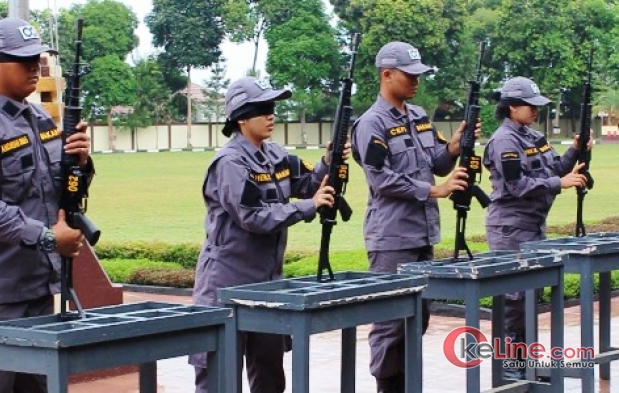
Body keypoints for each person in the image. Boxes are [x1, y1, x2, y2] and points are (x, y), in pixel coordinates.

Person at [189, 76, 349, 393]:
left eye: (272, 107)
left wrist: (328, 162)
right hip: (226, 285)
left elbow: (309, 183)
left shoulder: (275, 154)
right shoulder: (230, 162)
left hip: (266, 284)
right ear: (241, 116)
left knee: (270, 377)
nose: (271, 114)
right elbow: (253, 217)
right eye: (263, 108)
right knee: (219, 379)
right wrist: (307, 207)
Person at [0, 17, 92, 393]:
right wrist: (45, 237)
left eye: (36, 59)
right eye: (23, 60)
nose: (34, 68)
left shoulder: (39, 119)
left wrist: (81, 165)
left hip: (38, 290)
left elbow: (59, 191)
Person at [351, 41, 480, 393]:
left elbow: (436, 162)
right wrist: (434, 190)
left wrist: (453, 147)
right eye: (409, 75)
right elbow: (380, 179)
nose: (416, 82)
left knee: (417, 320)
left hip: (423, 234)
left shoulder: (419, 116)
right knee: (390, 323)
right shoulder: (370, 124)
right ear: (387, 74)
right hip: (392, 237)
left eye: (418, 75)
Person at [483, 76, 589, 380]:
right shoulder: (505, 140)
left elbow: (554, 169)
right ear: (512, 107)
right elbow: (517, 185)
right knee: (514, 301)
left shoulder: (533, 136)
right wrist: (560, 183)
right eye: (530, 106)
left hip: (532, 226)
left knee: (531, 297)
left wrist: (574, 152)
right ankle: (509, 368)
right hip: (510, 228)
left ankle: (525, 365)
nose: (535, 111)